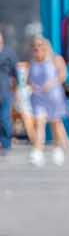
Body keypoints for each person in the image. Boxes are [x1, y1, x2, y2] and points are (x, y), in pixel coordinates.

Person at [23, 34, 69, 166]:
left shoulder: (55, 59)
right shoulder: (32, 62)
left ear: (45, 46)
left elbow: (63, 75)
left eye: (39, 45)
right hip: (38, 97)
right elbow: (28, 79)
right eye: (34, 46)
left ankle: (57, 148)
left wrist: (51, 83)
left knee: (55, 123)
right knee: (40, 122)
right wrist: (31, 85)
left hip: (54, 97)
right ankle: (38, 151)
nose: (37, 48)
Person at [0, 29, 15, 159]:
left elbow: (15, 71)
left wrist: (18, 89)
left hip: (5, 91)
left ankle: (6, 144)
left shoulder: (9, 53)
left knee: (4, 118)